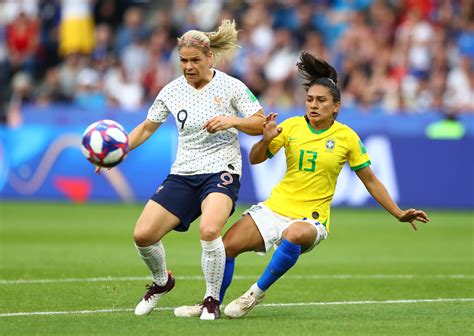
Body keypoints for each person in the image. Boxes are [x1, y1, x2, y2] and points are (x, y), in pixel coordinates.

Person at [174, 52, 429, 319]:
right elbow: (255, 158)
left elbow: (371, 181)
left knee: (293, 234)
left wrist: (398, 213)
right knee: (225, 247)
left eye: (321, 101)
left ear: (336, 106)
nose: (313, 105)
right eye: (309, 100)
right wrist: (265, 138)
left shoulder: (346, 137)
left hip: (312, 218)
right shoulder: (292, 126)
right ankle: (210, 304)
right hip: (274, 209)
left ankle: (255, 293)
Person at [97, 20, 265, 320]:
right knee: (143, 235)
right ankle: (162, 282)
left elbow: (260, 122)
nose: (188, 67)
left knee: (210, 229)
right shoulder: (171, 91)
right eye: (183, 60)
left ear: (209, 58)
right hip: (184, 173)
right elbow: (147, 128)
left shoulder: (231, 86)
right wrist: (117, 152)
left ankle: (211, 299)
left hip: (221, 170)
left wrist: (231, 121)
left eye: (195, 60)